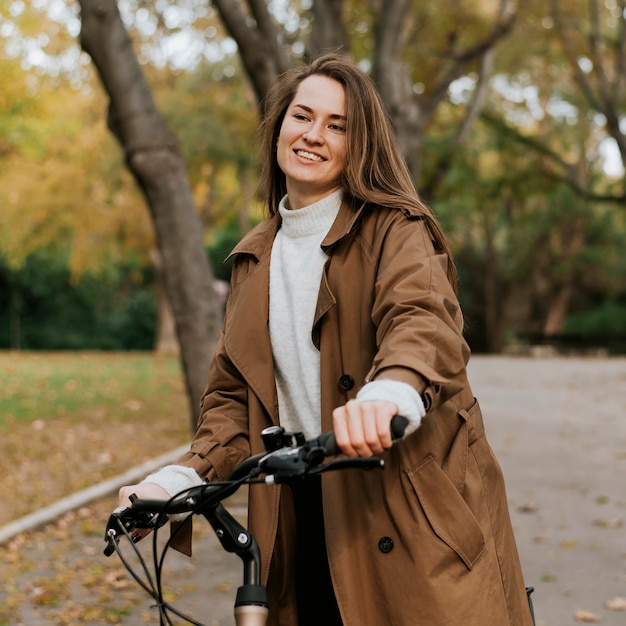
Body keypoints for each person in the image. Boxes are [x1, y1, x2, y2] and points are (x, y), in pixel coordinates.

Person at [119, 52, 533, 626]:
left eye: (337, 125)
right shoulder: (253, 258)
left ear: (360, 144)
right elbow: (232, 403)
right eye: (302, 116)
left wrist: (390, 392)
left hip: (407, 516)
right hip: (296, 521)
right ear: (278, 128)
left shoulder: (396, 229)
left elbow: (422, 319)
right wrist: (180, 477)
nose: (314, 135)